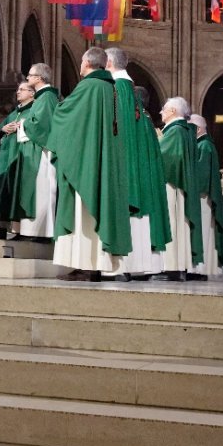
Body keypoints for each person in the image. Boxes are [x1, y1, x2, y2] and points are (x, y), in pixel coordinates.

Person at [47, 48, 133, 282]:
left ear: (87, 63)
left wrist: (58, 108)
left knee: (82, 211)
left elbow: (65, 115)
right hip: (104, 160)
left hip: (86, 161)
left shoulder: (88, 87)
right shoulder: (112, 89)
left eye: (82, 62)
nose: (81, 66)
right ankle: (98, 263)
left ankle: (85, 265)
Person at [105, 48, 171, 278]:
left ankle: (124, 266)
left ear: (109, 62)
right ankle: (136, 266)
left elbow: (117, 132)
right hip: (140, 178)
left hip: (127, 172)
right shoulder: (143, 113)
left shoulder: (120, 90)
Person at [157, 97, 203, 280]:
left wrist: (151, 145)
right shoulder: (184, 131)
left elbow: (164, 156)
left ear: (174, 111)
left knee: (172, 223)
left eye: (164, 109)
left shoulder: (175, 132)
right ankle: (179, 265)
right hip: (180, 185)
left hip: (171, 185)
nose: (161, 112)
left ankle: (172, 266)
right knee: (179, 224)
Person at [15, 63, 60, 238]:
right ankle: (36, 232)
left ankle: (44, 233)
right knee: (38, 190)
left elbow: (41, 124)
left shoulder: (47, 97)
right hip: (37, 149)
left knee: (43, 190)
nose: (27, 78)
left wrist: (23, 124)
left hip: (43, 151)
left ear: (39, 78)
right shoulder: (42, 97)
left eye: (30, 75)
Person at [0, 81, 37, 234]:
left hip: (20, 160)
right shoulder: (13, 114)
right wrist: (3, 130)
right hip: (4, 161)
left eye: (22, 89)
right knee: (2, 196)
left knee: (16, 195)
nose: (18, 92)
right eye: (17, 89)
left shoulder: (34, 111)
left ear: (32, 93)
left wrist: (22, 128)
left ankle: (16, 231)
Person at [189, 114, 223, 279]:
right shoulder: (204, 145)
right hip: (202, 198)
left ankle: (199, 270)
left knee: (202, 232)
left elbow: (202, 175)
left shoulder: (204, 146)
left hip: (202, 198)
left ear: (198, 129)